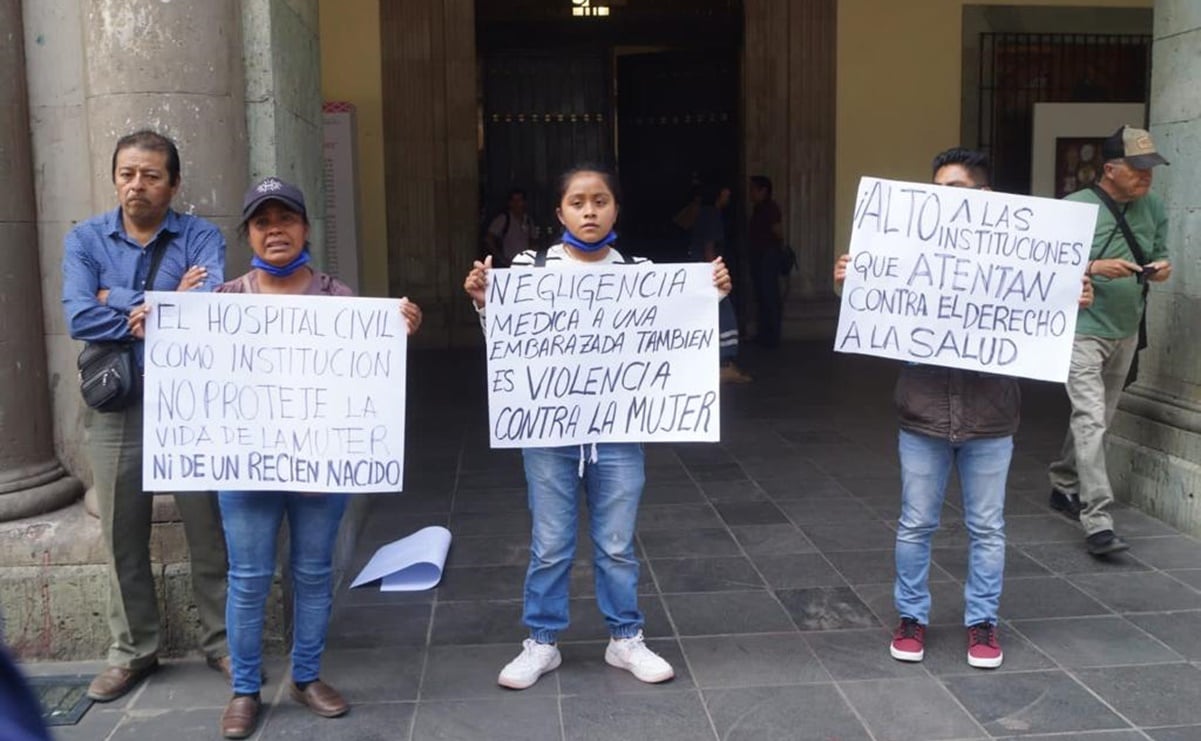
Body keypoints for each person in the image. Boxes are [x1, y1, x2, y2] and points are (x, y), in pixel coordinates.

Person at [136, 176, 423, 738]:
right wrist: (159, 337)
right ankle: (245, 689)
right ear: (248, 235)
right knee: (247, 578)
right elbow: (185, 376)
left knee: (313, 574)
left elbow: (368, 377)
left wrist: (398, 333)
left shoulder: (338, 300)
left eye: (285, 219)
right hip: (244, 467)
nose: (275, 231)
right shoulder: (222, 303)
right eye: (263, 222)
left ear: (306, 228)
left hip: (321, 464)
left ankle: (307, 675)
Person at [463, 164, 732, 690]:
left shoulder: (639, 270)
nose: (590, 211)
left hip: (616, 431)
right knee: (550, 542)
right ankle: (541, 642)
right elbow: (509, 344)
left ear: (615, 207)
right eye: (579, 202)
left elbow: (673, 334)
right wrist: (483, 305)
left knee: (615, 543)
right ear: (559, 211)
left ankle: (624, 637)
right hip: (548, 433)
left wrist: (710, 295)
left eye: (600, 200)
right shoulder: (529, 266)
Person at [834, 148, 1094, 669]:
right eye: (934, 191)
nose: (938, 201)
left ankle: (983, 622)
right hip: (924, 413)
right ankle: (911, 616)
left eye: (950, 191)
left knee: (988, 527)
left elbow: (1043, 308)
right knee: (914, 523)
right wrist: (855, 285)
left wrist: (1069, 299)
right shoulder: (909, 248)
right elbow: (885, 312)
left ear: (985, 197)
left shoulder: (1021, 254)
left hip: (991, 418)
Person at [62, 129, 229, 702]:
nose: (137, 185)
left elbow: (203, 307)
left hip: (187, 400)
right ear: (115, 177)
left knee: (207, 528)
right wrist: (157, 303)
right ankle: (132, 650)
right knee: (121, 533)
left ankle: (223, 641)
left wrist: (119, 297)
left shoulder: (201, 235)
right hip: (117, 403)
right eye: (128, 173)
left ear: (173, 184)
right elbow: (80, 315)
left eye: (151, 175)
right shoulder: (85, 239)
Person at [1047, 125, 1172, 556]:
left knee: (1099, 417)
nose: (1146, 177)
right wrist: (1095, 267)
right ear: (1109, 169)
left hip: (1125, 326)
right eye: (1137, 169)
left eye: (1151, 168)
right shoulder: (1073, 208)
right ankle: (1097, 518)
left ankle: (1063, 482)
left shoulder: (1153, 206)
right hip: (1081, 329)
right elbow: (1045, 269)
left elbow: (1161, 251)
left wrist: (1160, 268)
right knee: (1091, 419)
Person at [690, 184, 750, 384]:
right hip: (708, 270)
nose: (729, 194)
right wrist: (713, 272)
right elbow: (709, 245)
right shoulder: (712, 215)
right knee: (723, 314)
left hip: (699, 266)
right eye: (726, 191)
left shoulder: (703, 213)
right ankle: (724, 364)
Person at [748, 175, 784, 348]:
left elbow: (778, 231)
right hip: (759, 255)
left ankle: (772, 336)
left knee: (769, 295)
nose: (751, 193)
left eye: (753, 189)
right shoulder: (758, 208)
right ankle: (764, 334)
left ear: (763, 190)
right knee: (762, 295)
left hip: (768, 255)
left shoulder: (770, 208)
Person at [484, 187, 535, 267]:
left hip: (526, 264)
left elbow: (533, 240)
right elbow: (489, 239)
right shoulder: (503, 219)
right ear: (509, 203)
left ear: (524, 202)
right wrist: (501, 258)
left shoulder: (528, 221)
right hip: (507, 264)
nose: (517, 203)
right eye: (514, 201)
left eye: (519, 200)